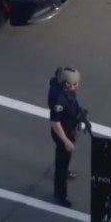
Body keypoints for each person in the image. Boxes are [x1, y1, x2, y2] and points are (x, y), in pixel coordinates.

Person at [48, 66, 84, 208]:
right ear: (66, 84)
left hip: (69, 126)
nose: (77, 86)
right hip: (64, 131)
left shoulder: (60, 85)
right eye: (74, 84)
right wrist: (66, 141)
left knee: (64, 159)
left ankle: (64, 171)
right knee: (61, 163)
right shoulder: (59, 101)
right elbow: (55, 123)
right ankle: (60, 194)